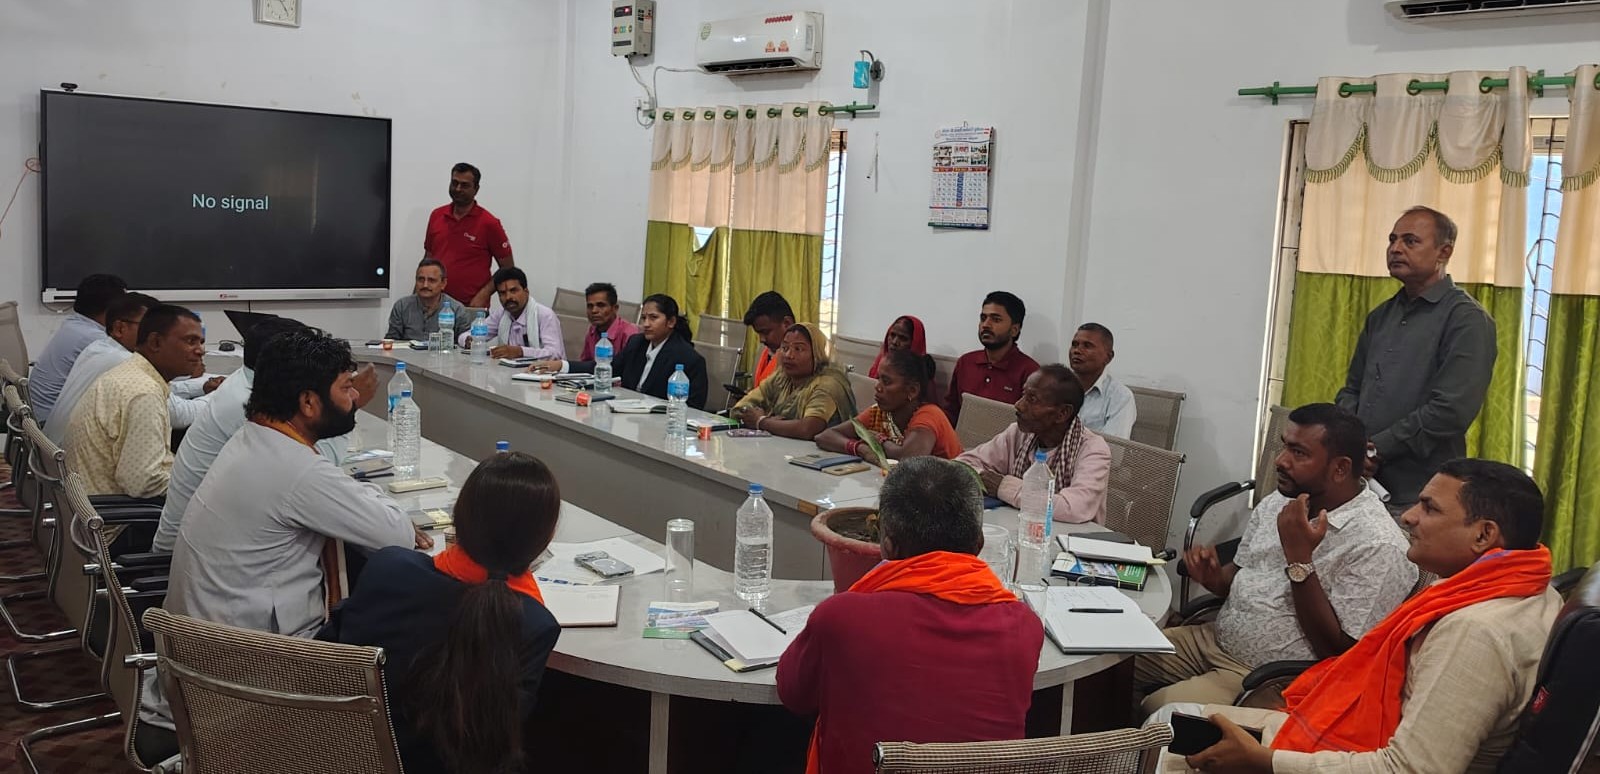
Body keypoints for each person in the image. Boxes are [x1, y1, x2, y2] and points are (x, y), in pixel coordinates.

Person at [1167, 459, 1561, 774]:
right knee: (1171, 722)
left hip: (1370, 754)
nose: (1408, 517)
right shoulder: (1528, 584)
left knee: (1169, 745)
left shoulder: (1475, 633)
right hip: (1367, 738)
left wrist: (1266, 762)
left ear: (1484, 535)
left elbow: (1410, 769)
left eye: (1430, 508)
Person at [139, 329, 422, 762]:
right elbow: (397, 535)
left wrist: (354, 496)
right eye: (345, 387)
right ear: (308, 402)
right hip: (247, 682)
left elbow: (338, 490)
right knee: (413, 640)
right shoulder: (295, 469)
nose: (354, 398)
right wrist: (368, 500)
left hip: (200, 666)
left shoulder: (253, 438)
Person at [1135, 404, 1416, 715]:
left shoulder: (1378, 545)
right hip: (1212, 638)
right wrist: (1214, 578)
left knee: (1159, 710)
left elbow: (1340, 654)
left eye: (1298, 453)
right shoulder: (1282, 500)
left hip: (1266, 678)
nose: (1281, 461)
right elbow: (1238, 578)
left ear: (1340, 468)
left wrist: (1300, 560)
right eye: (1285, 447)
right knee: (1113, 658)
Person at [777, 457, 1043, 774]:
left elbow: (793, 693)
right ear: (978, 545)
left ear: (887, 546)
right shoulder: (1023, 627)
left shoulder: (842, 618)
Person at [319, 452, 562, 774]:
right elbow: (499, 740)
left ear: (459, 518)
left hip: (331, 749)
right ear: (544, 538)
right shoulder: (532, 622)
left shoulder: (389, 567)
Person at [155, 316, 375, 553]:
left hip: (213, 542)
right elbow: (318, 469)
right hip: (190, 552)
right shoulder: (249, 404)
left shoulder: (245, 383)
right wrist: (345, 407)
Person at [1336, 206, 1496, 511]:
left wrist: (1376, 449)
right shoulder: (1381, 316)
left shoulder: (1467, 319)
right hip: (1358, 484)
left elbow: (1450, 410)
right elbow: (1351, 390)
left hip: (1420, 495)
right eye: (1392, 239)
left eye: (1410, 241)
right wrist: (1351, 445)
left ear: (1444, 252)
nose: (1395, 248)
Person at [62, 304, 205, 498]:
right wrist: (206, 488)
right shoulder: (143, 393)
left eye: (201, 342)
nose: (200, 351)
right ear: (155, 342)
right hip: (116, 512)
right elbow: (143, 483)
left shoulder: (132, 373)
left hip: (90, 501)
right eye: (191, 341)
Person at [46, 293, 221, 447]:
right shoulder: (124, 362)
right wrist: (224, 393)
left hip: (55, 454)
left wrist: (201, 387)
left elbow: (162, 391)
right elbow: (179, 415)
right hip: (71, 465)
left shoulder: (99, 347)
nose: (152, 334)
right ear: (120, 328)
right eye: (147, 327)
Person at [955, 364, 1110, 523]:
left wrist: (1004, 487)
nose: (1018, 405)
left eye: (1032, 399)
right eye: (1023, 395)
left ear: (1062, 413)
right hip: (1018, 525)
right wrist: (982, 477)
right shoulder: (1018, 433)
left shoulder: (1092, 449)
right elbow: (962, 464)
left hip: (1069, 535)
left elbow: (1074, 508)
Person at [815, 348, 961, 462]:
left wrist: (877, 440)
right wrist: (860, 448)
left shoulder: (929, 415)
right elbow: (825, 436)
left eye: (886, 382)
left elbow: (908, 459)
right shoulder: (878, 412)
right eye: (878, 379)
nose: (877, 386)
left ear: (912, 390)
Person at [29, 273, 127, 424]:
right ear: (111, 310)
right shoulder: (95, 339)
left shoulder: (73, 325)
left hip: (38, 416)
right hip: (50, 423)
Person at [732, 323, 856, 440]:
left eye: (798, 349)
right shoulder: (782, 377)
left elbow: (807, 429)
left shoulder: (828, 384)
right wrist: (752, 415)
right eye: (785, 348)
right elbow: (741, 406)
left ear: (817, 353)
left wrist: (762, 421)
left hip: (821, 452)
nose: (788, 355)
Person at [588, 293, 708, 408]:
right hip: (626, 411)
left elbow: (693, 407)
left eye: (653, 318)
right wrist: (574, 368)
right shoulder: (636, 343)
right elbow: (610, 368)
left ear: (671, 322)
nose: (646, 324)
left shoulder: (688, 358)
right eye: (643, 318)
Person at [424, 162, 515, 307]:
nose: (458, 189)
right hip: (434, 305)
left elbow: (508, 268)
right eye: (454, 183)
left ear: (476, 189)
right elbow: (428, 258)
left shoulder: (489, 223)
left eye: (465, 185)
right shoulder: (436, 215)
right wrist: (417, 296)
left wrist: (483, 295)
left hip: (471, 308)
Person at [945, 291, 1040, 424]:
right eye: (983, 318)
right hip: (962, 436)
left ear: (1014, 329)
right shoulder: (966, 362)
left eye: (996, 319)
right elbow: (951, 412)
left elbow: (1031, 424)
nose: (986, 325)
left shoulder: (1030, 371)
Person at [529, 281, 640, 373]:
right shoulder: (593, 330)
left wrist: (562, 365)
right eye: (590, 306)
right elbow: (585, 364)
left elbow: (625, 372)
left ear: (615, 308)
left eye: (601, 305)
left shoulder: (630, 334)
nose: (594, 311)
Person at [458, 267, 565, 361]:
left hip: (545, 375)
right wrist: (469, 341)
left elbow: (555, 354)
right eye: (502, 293)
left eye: (513, 291)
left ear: (526, 291)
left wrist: (520, 352)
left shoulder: (544, 315)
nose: (508, 297)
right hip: (510, 373)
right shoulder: (501, 314)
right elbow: (464, 336)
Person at [1070, 322, 1137, 439]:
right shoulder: (1058, 386)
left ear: (1108, 357)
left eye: (1087, 346)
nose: (1077, 350)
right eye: (1074, 344)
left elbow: (1113, 446)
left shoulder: (1121, 397)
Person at [386, 258, 472, 341]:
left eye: (431, 280)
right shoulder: (402, 306)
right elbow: (391, 341)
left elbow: (465, 342)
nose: (425, 285)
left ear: (443, 283)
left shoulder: (457, 310)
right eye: (421, 280)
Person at [742, 291, 796, 388]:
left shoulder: (803, 363)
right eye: (759, 333)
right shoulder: (763, 350)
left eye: (766, 332)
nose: (761, 339)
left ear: (787, 324)